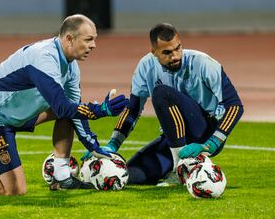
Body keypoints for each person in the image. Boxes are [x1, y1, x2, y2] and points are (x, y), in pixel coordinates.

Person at [0, 14, 129, 195]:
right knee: (13, 190)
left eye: (94, 39)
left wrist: (92, 145)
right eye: (89, 39)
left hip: (18, 113)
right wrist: (101, 110)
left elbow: (72, 108)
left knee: (69, 111)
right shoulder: (44, 58)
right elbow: (60, 106)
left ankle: (61, 176)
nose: (94, 45)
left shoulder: (71, 67)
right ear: (69, 38)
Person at [82, 23, 243, 185]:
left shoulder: (203, 63)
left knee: (161, 93)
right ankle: (181, 164)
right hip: (173, 138)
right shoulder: (146, 66)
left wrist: (212, 143)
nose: (175, 56)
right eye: (167, 52)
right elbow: (133, 110)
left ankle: (182, 169)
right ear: (154, 52)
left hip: (205, 133)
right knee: (129, 175)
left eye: (178, 48)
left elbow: (235, 105)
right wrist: (112, 145)